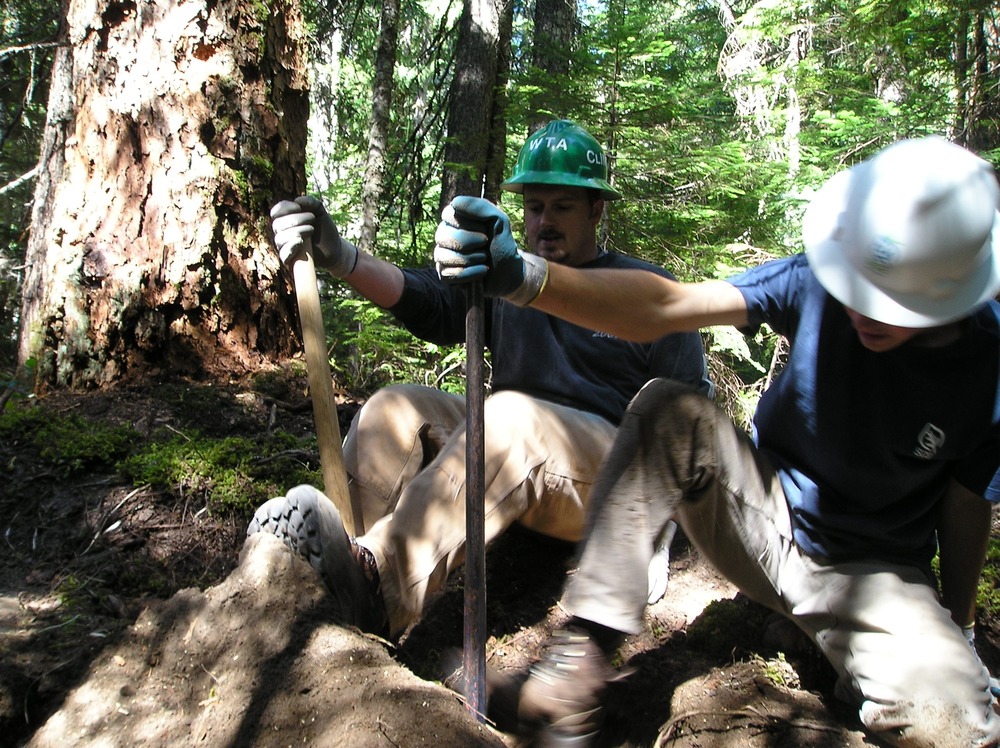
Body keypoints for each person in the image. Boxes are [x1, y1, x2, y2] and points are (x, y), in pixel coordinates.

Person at [434, 135, 1000, 746]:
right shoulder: (815, 280)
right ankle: (580, 660)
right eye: (857, 281)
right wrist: (526, 278)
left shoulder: (988, 365)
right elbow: (668, 305)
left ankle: (854, 660)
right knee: (667, 410)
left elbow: (969, 504)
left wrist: (959, 626)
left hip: (878, 571)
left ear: (949, 293)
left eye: (890, 301)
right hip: (762, 513)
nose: (861, 307)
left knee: (961, 729)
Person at [247, 120, 711, 640]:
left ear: (596, 209)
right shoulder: (508, 278)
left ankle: (378, 588)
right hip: (513, 449)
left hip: (609, 474)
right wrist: (344, 258)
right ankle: (339, 572)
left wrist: (659, 533)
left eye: (563, 207)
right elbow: (429, 300)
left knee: (510, 418)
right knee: (393, 408)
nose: (545, 222)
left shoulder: (643, 290)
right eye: (535, 207)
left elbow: (687, 428)